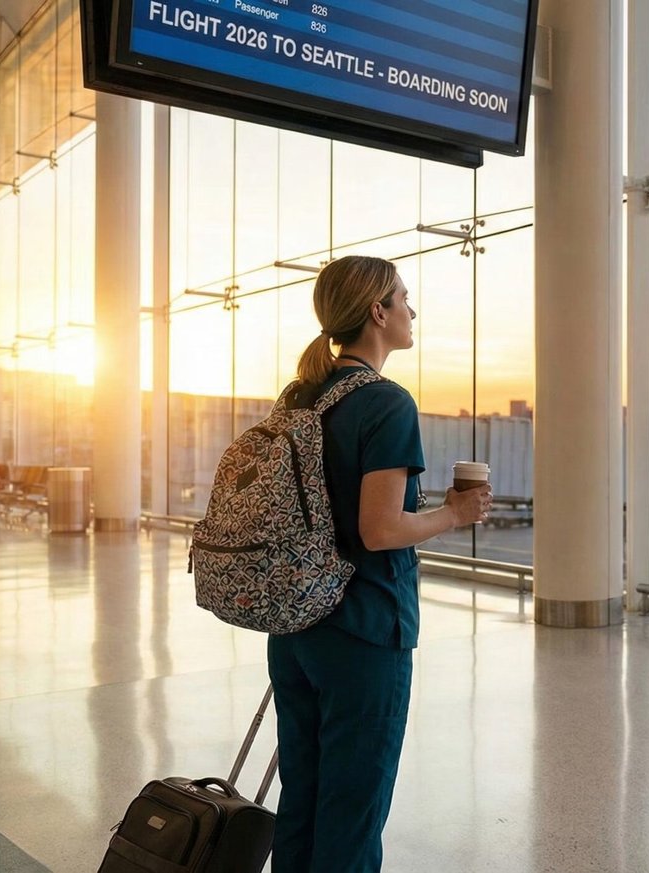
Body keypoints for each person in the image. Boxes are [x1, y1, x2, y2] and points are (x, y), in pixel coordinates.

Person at [268, 255, 491, 872]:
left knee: (303, 802)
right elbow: (380, 529)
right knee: (353, 813)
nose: (412, 310)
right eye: (404, 299)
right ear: (378, 313)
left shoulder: (302, 395)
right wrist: (454, 515)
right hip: (364, 630)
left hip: (295, 626)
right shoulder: (387, 404)